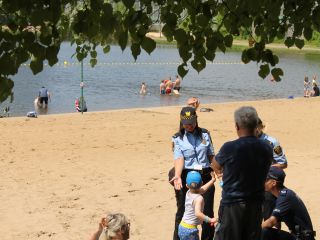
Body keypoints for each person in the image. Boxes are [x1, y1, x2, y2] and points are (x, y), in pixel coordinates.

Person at [211, 106, 273, 240]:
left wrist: (223, 173)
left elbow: (215, 164)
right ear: (256, 125)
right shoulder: (267, 147)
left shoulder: (230, 147)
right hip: (256, 203)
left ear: (237, 126)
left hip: (233, 204)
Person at [170, 106, 215, 240]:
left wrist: (219, 171)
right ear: (181, 122)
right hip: (187, 177)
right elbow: (179, 158)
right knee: (182, 211)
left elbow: (211, 155)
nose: (188, 125)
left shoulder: (205, 134)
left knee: (207, 211)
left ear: (196, 119)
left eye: (191, 122)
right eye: (185, 123)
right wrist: (177, 175)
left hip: (205, 175)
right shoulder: (177, 138)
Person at [261, 166, 315, 240]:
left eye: (265, 179)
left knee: (264, 232)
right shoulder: (281, 195)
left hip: (303, 238)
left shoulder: (285, 196)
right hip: (297, 236)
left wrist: (252, 231)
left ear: (273, 183)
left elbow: (271, 222)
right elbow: (276, 224)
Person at [256, 118, 288, 226]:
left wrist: (265, 168)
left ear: (261, 127)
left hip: (268, 185)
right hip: (251, 185)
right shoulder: (246, 141)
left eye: (257, 127)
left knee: (270, 217)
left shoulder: (272, 142)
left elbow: (283, 163)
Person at [178, 171, 217, 240]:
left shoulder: (188, 192)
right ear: (202, 183)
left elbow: (202, 190)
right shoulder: (199, 198)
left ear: (187, 185)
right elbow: (198, 213)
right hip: (190, 230)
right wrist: (210, 220)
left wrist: (212, 180)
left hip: (182, 226)